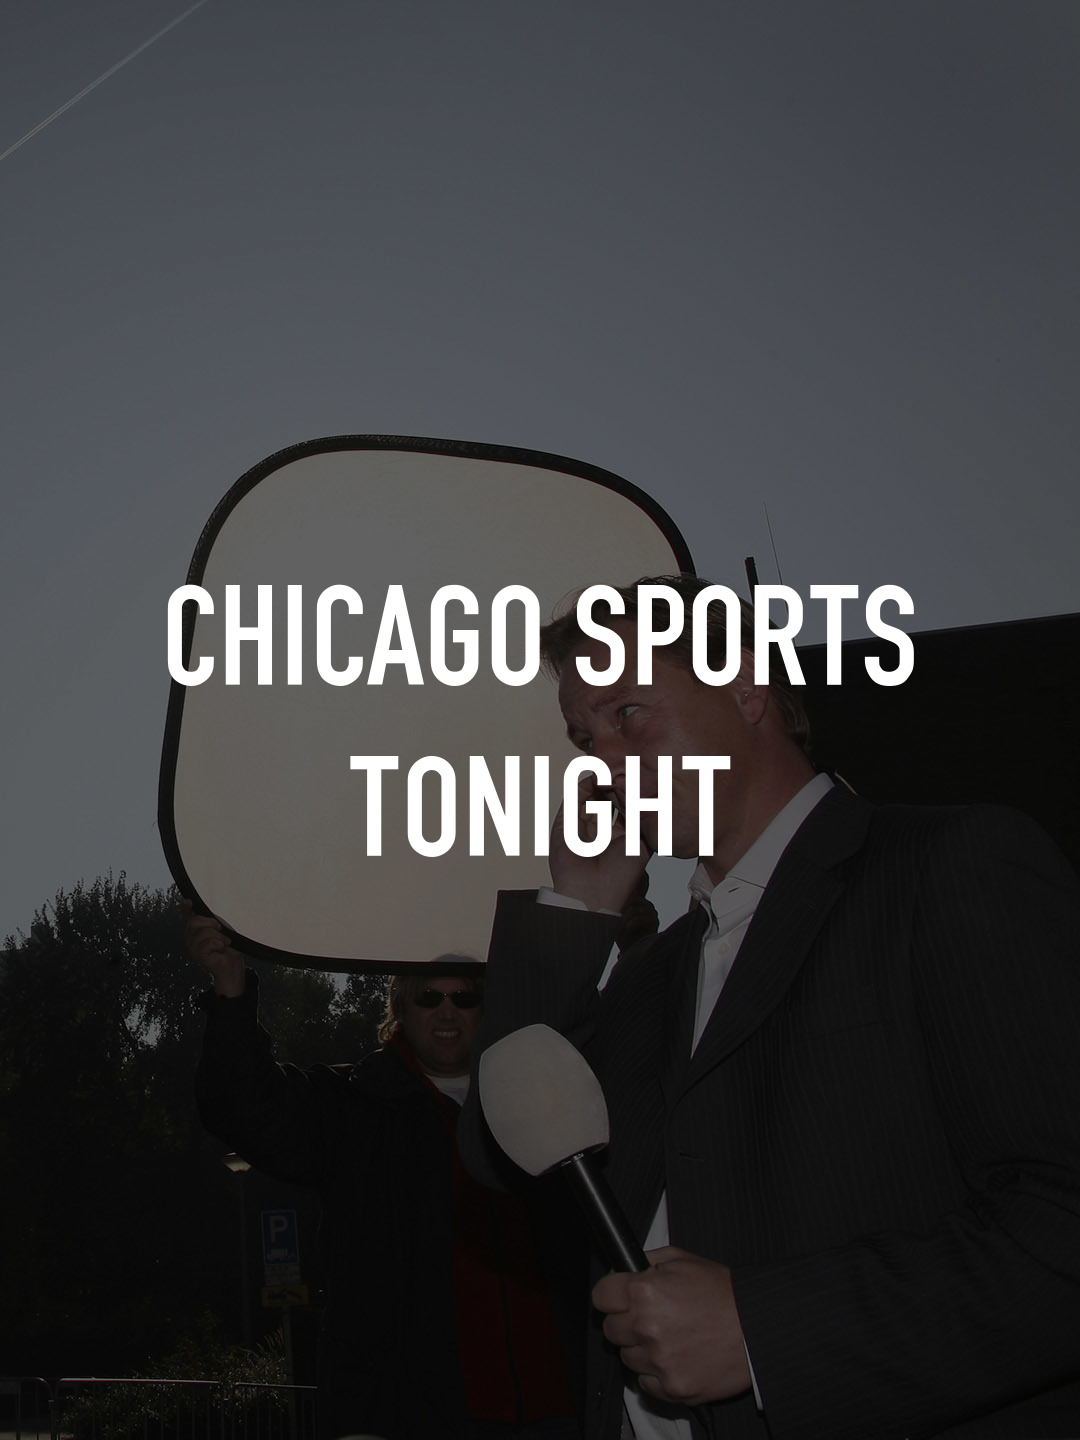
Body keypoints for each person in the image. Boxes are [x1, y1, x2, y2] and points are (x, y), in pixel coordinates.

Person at [459, 574, 1080, 1440]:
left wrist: (763, 1333)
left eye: (628, 712)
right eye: (584, 737)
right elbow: (504, 1156)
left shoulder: (949, 866)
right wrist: (576, 911)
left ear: (747, 688)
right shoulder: (650, 974)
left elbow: (1059, 1225)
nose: (603, 761)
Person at [189, 908, 586, 1440]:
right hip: (407, 1414)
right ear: (400, 1006)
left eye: (465, 998)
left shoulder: (542, 1105)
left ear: (486, 1008)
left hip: (555, 1409)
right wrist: (231, 989)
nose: (447, 1012)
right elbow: (243, 1107)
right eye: (429, 997)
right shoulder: (355, 1106)